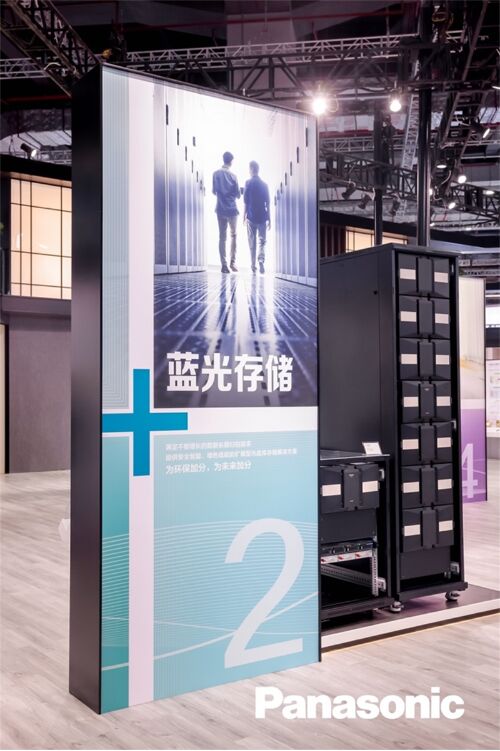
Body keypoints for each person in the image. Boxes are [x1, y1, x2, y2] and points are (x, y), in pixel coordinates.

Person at [212, 151, 240, 273]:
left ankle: (224, 265)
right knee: (233, 235)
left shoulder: (215, 174)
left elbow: (214, 191)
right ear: (231, 161)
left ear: (223, 159)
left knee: (222, 237)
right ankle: (232, 263)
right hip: (232, 209)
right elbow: (238, 195)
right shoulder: (234, 176)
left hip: (220, 208)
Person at [243, 161, 270, 274]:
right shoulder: (264, 185)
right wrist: (269, 219)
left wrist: (244, 216)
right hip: (262, 217)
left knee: (252, 242)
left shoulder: (248, 183)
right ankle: (261, 260)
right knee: (262, 241)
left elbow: (245, 201)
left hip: (251, 217)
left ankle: (253, 265)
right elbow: (268, 203)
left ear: (251, 169)